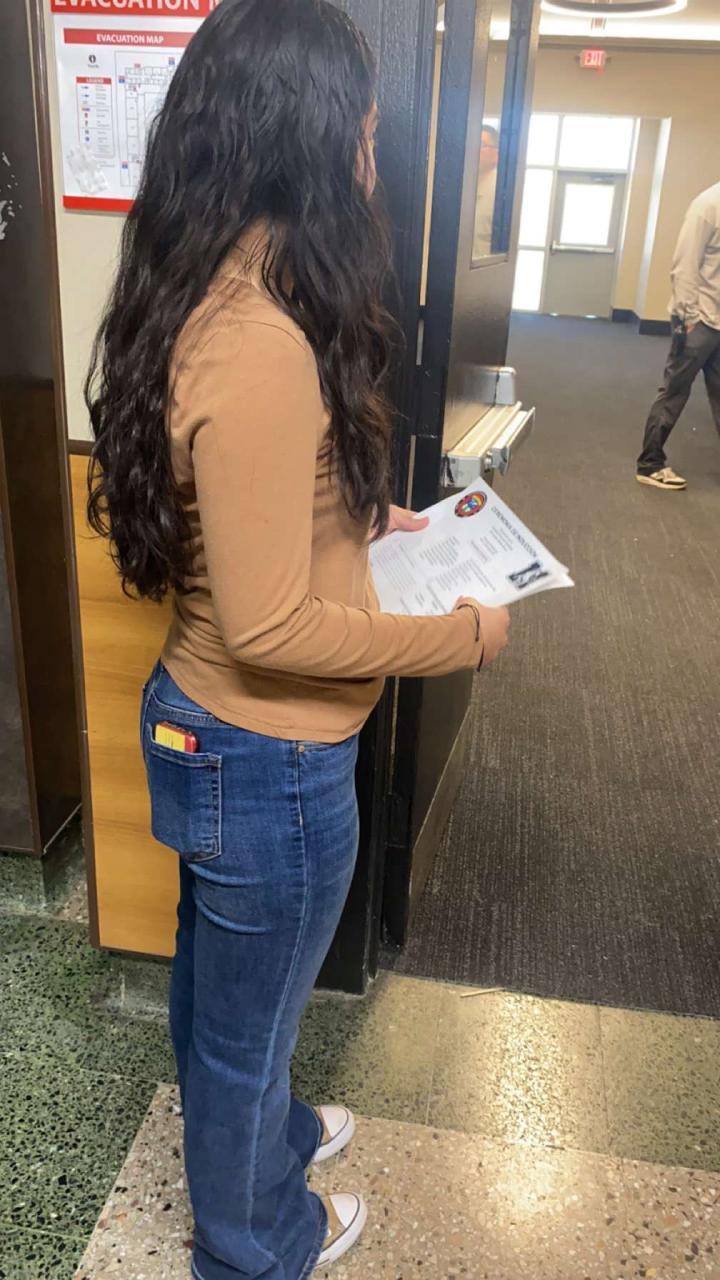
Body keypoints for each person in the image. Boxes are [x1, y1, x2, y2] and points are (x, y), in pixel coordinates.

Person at [86, 2, 510, 1277]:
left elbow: (251, 519)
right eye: (364, 130)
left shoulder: (218, 284)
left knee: (225, 1002)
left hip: (216, 733)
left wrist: (360, 520)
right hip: (264, 758)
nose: (374, 154)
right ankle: (254, 1242)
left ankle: (267, 1141)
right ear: (310, 139)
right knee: (244, 1030)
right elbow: (269, 620)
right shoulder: (260, 341)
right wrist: (462, 633)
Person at [636, 180, 720, 490]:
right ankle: (650, 464)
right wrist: (688, 317)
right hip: (698, 322)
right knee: (674, 392)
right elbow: (684, 266)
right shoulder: (707, 205)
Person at [473, 123, 500, 258]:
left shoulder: (501, 192)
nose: (474, 150)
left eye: (481, 145)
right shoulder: (462, 185)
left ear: (496, 153)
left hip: (486, 268)